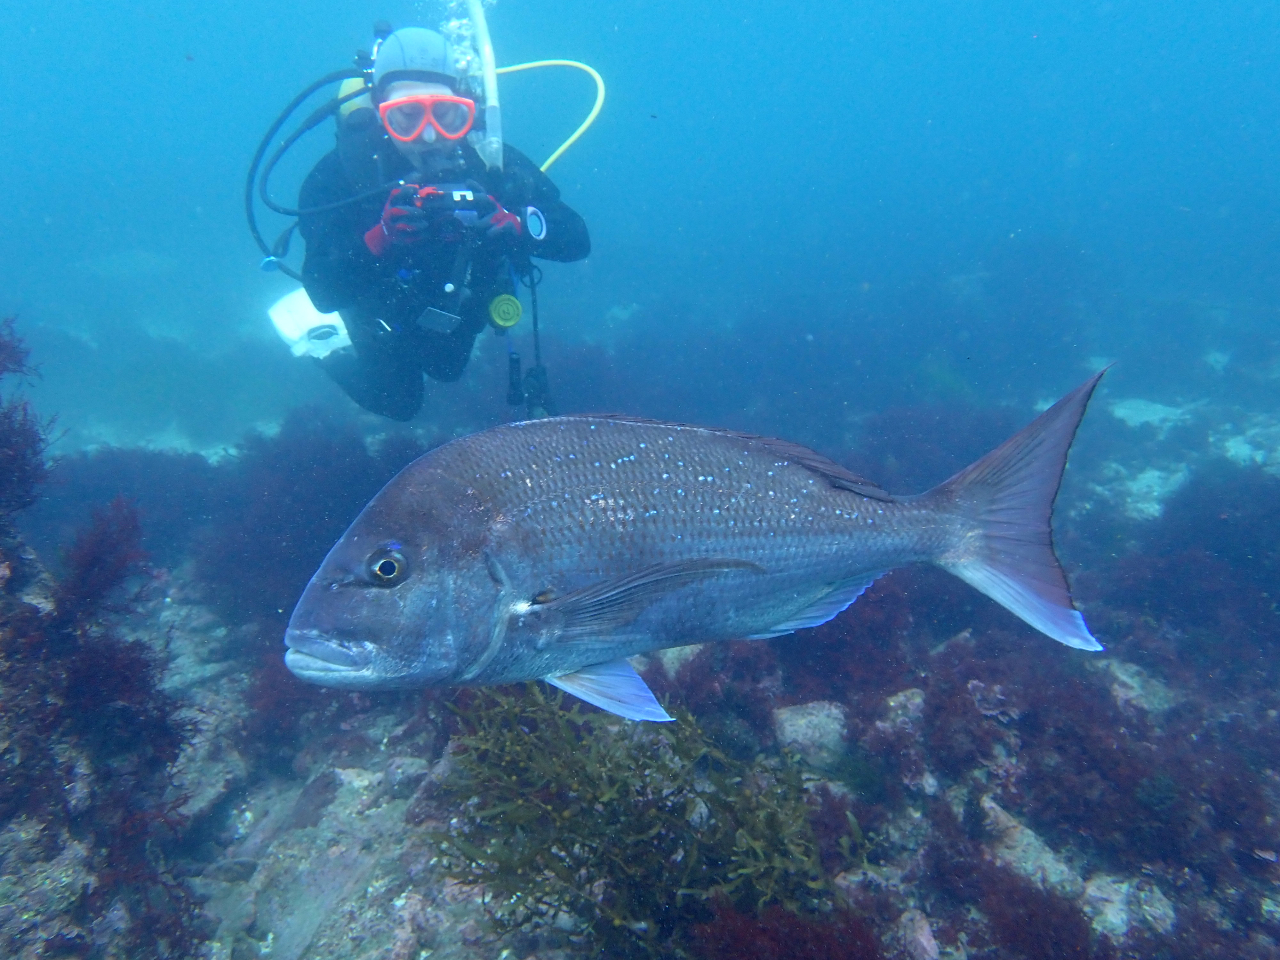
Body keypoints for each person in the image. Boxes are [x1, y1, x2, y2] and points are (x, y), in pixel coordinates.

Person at [298, 27, 590, 421]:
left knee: (447, 369)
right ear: (381, 113)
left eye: (446, 113)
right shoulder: (341, 177)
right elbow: (322, 291)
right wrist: (381, 238)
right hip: (378, 306)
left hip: (460, 303)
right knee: (399, 402)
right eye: (407, 115)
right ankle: (325, 349)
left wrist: (519, 225)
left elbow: (577, 238)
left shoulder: (490, 163)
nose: (430, 134)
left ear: (467, 109)